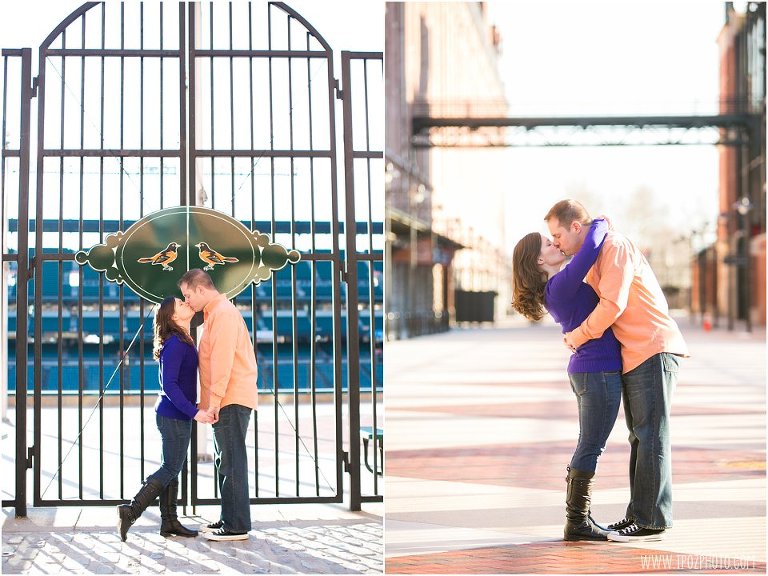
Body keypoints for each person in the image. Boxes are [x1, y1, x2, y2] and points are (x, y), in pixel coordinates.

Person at [545, 199, 688, 542]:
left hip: (652, 347)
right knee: (640, 435)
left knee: (651, 433)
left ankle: (652, 518)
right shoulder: (596, 253)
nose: (556, 242)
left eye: (557, 234)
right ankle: (640, 514)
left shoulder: (615, 248)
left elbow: (613, 304)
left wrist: (577, 335)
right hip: (635, 352)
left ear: (575, 227)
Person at [512, 218, 622, 541]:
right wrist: (597, 220)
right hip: (596, 371)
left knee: (589, 444)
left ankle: (578, 519)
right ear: (539, 261)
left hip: (592, 370)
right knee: (591, 445)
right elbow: (589, 250)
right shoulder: (559, 286)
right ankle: (577, 521)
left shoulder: (559, 286)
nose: (556, 244)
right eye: (549, 243)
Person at [117, 296, 215, 541]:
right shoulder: (176, 344)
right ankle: (131, 511)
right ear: (173, 316)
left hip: (175, 415)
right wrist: (195, 412)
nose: (186, 305)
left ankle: (169, 522)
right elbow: (169, 386)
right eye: (181, 304)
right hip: (174, 416)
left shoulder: (181, 339)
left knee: (173, 469)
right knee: (170, 468)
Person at [178, 268, 258, 542]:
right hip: (227, 397)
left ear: (201, 289)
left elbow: (222, 363)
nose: (187, 301)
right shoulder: (217, 313)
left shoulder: (222, 313)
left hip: (230, 398)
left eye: (188, 295)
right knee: (226, 459)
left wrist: (213, 403)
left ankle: (236, 525)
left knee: (231, 461)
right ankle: (230, 517)